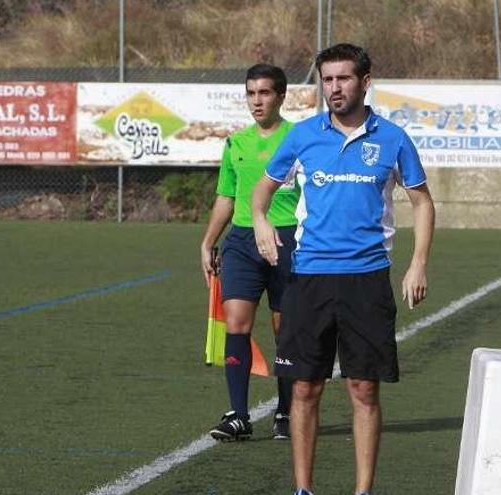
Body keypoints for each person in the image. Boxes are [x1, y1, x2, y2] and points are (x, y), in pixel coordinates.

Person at [251, 43, 435, 495]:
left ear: (365, 81)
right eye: (327, 79)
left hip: (367, 280)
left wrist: (418, 263)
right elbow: (263, 190)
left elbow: (422, 202)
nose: (334, 87)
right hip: (309, 278)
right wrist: (259, 221)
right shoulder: (303, 136)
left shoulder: (392, 138)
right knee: (304, 390)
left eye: (343, 78)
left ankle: (363, 490)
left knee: (363, 390)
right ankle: (303, 489)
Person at [200, 63, 298, 442]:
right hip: (241, 241)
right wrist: (209, 241)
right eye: (251, 93)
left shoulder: (299, 137)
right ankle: (239, 416)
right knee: (236, 322)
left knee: (284, 329)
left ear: (281, 96)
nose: (257, 101)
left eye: (265, 93)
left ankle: (286, 412)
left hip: (287, 239)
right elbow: (225, 197)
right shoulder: (235, 143)